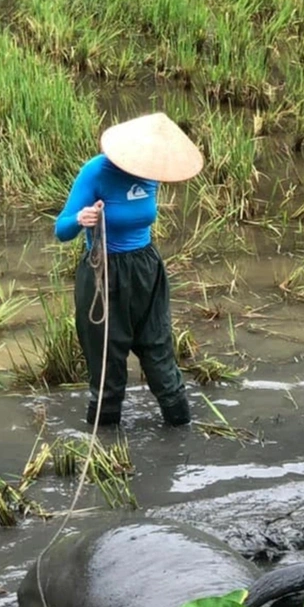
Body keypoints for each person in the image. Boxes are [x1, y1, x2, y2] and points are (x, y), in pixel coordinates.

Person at [55, 112, 203, 428]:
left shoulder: (153, 173)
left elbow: (140, 215)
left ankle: (181, 439)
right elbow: (61, 229)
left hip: (146, 270)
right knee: (108, 366)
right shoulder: (95, 171)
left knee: (160, 356)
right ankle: (106, 450)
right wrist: (81, 220)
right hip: (103, 274)